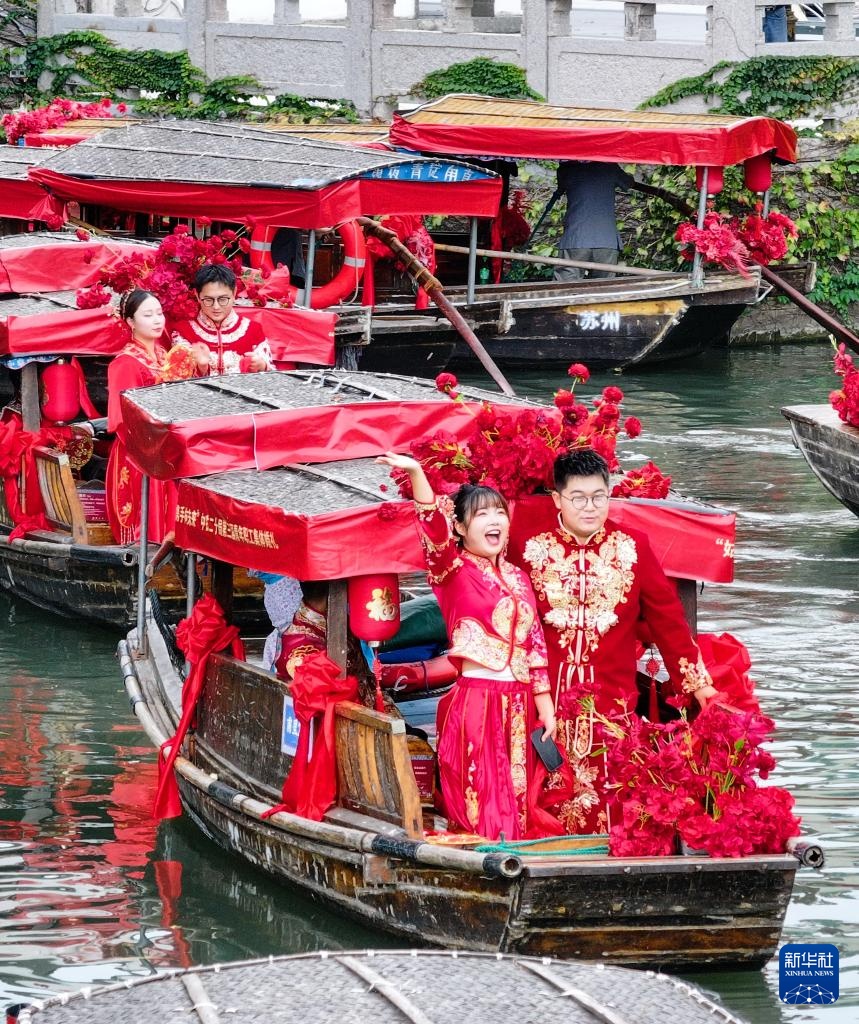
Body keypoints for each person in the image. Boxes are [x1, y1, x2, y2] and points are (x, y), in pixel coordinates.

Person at [508, 448, 718, 835]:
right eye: (578, 498)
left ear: (609, 495)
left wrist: (698, 685)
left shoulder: (632, 547)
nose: (590, 507)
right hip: (542, 696)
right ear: (557, 498)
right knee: (542, 788)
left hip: (612, 698)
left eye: (598, 497)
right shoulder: (528, 548)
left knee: (612, 792)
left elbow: (669, 621)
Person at [378, 452, 558, 841]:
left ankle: (517, 855)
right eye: (482, 514)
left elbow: (535, 644)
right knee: (482, 794)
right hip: (478, 699)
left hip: (521, 701)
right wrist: (417, 474)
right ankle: (485, 856)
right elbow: (432, 531)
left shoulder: (519, 577)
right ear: (459, 527)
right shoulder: (452, 571)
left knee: (517, 793)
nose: (495, 520)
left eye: (499, 512)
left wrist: (545, 706)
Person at [105, 290, 196, 545]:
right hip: (138, 452)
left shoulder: (165, 356)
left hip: (166, 449)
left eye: (159, 313)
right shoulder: (125, 363)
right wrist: (151, 447)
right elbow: (122, 418)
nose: (157, 320)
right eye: (148, 315)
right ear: (130, 322)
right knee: (147, 517)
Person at [171, 264, 273, 375]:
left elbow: (272, 376)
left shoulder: (253, 330)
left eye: (223, 299)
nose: (216, 307)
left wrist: (262, 366)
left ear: (234, 293)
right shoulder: (183, 332)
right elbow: (177, 377)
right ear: (197, 295)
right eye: (208, 300)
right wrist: (202, 367)